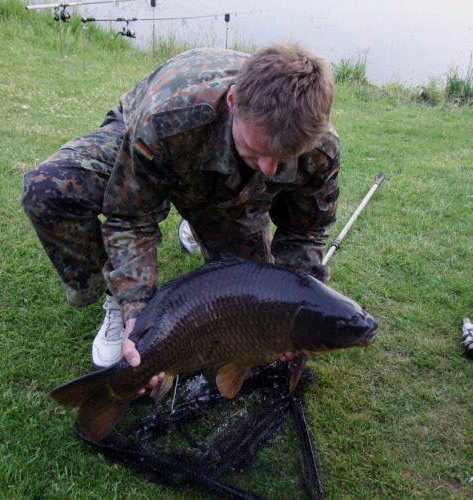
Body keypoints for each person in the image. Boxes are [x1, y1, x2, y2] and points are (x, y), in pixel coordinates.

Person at [21, 42, 340, 391]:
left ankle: (206, 214)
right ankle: (117, 296)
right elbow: (131, 219)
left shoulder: (319, 146)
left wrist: (295, 312)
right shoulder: (165, 117)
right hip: (151, 136)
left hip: (224, 187)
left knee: (251, 298)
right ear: (233, 103)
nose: (268, 169)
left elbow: (305, 232)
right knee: (49, 190)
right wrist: (136, 310)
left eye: (284, 158)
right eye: (256, 151)